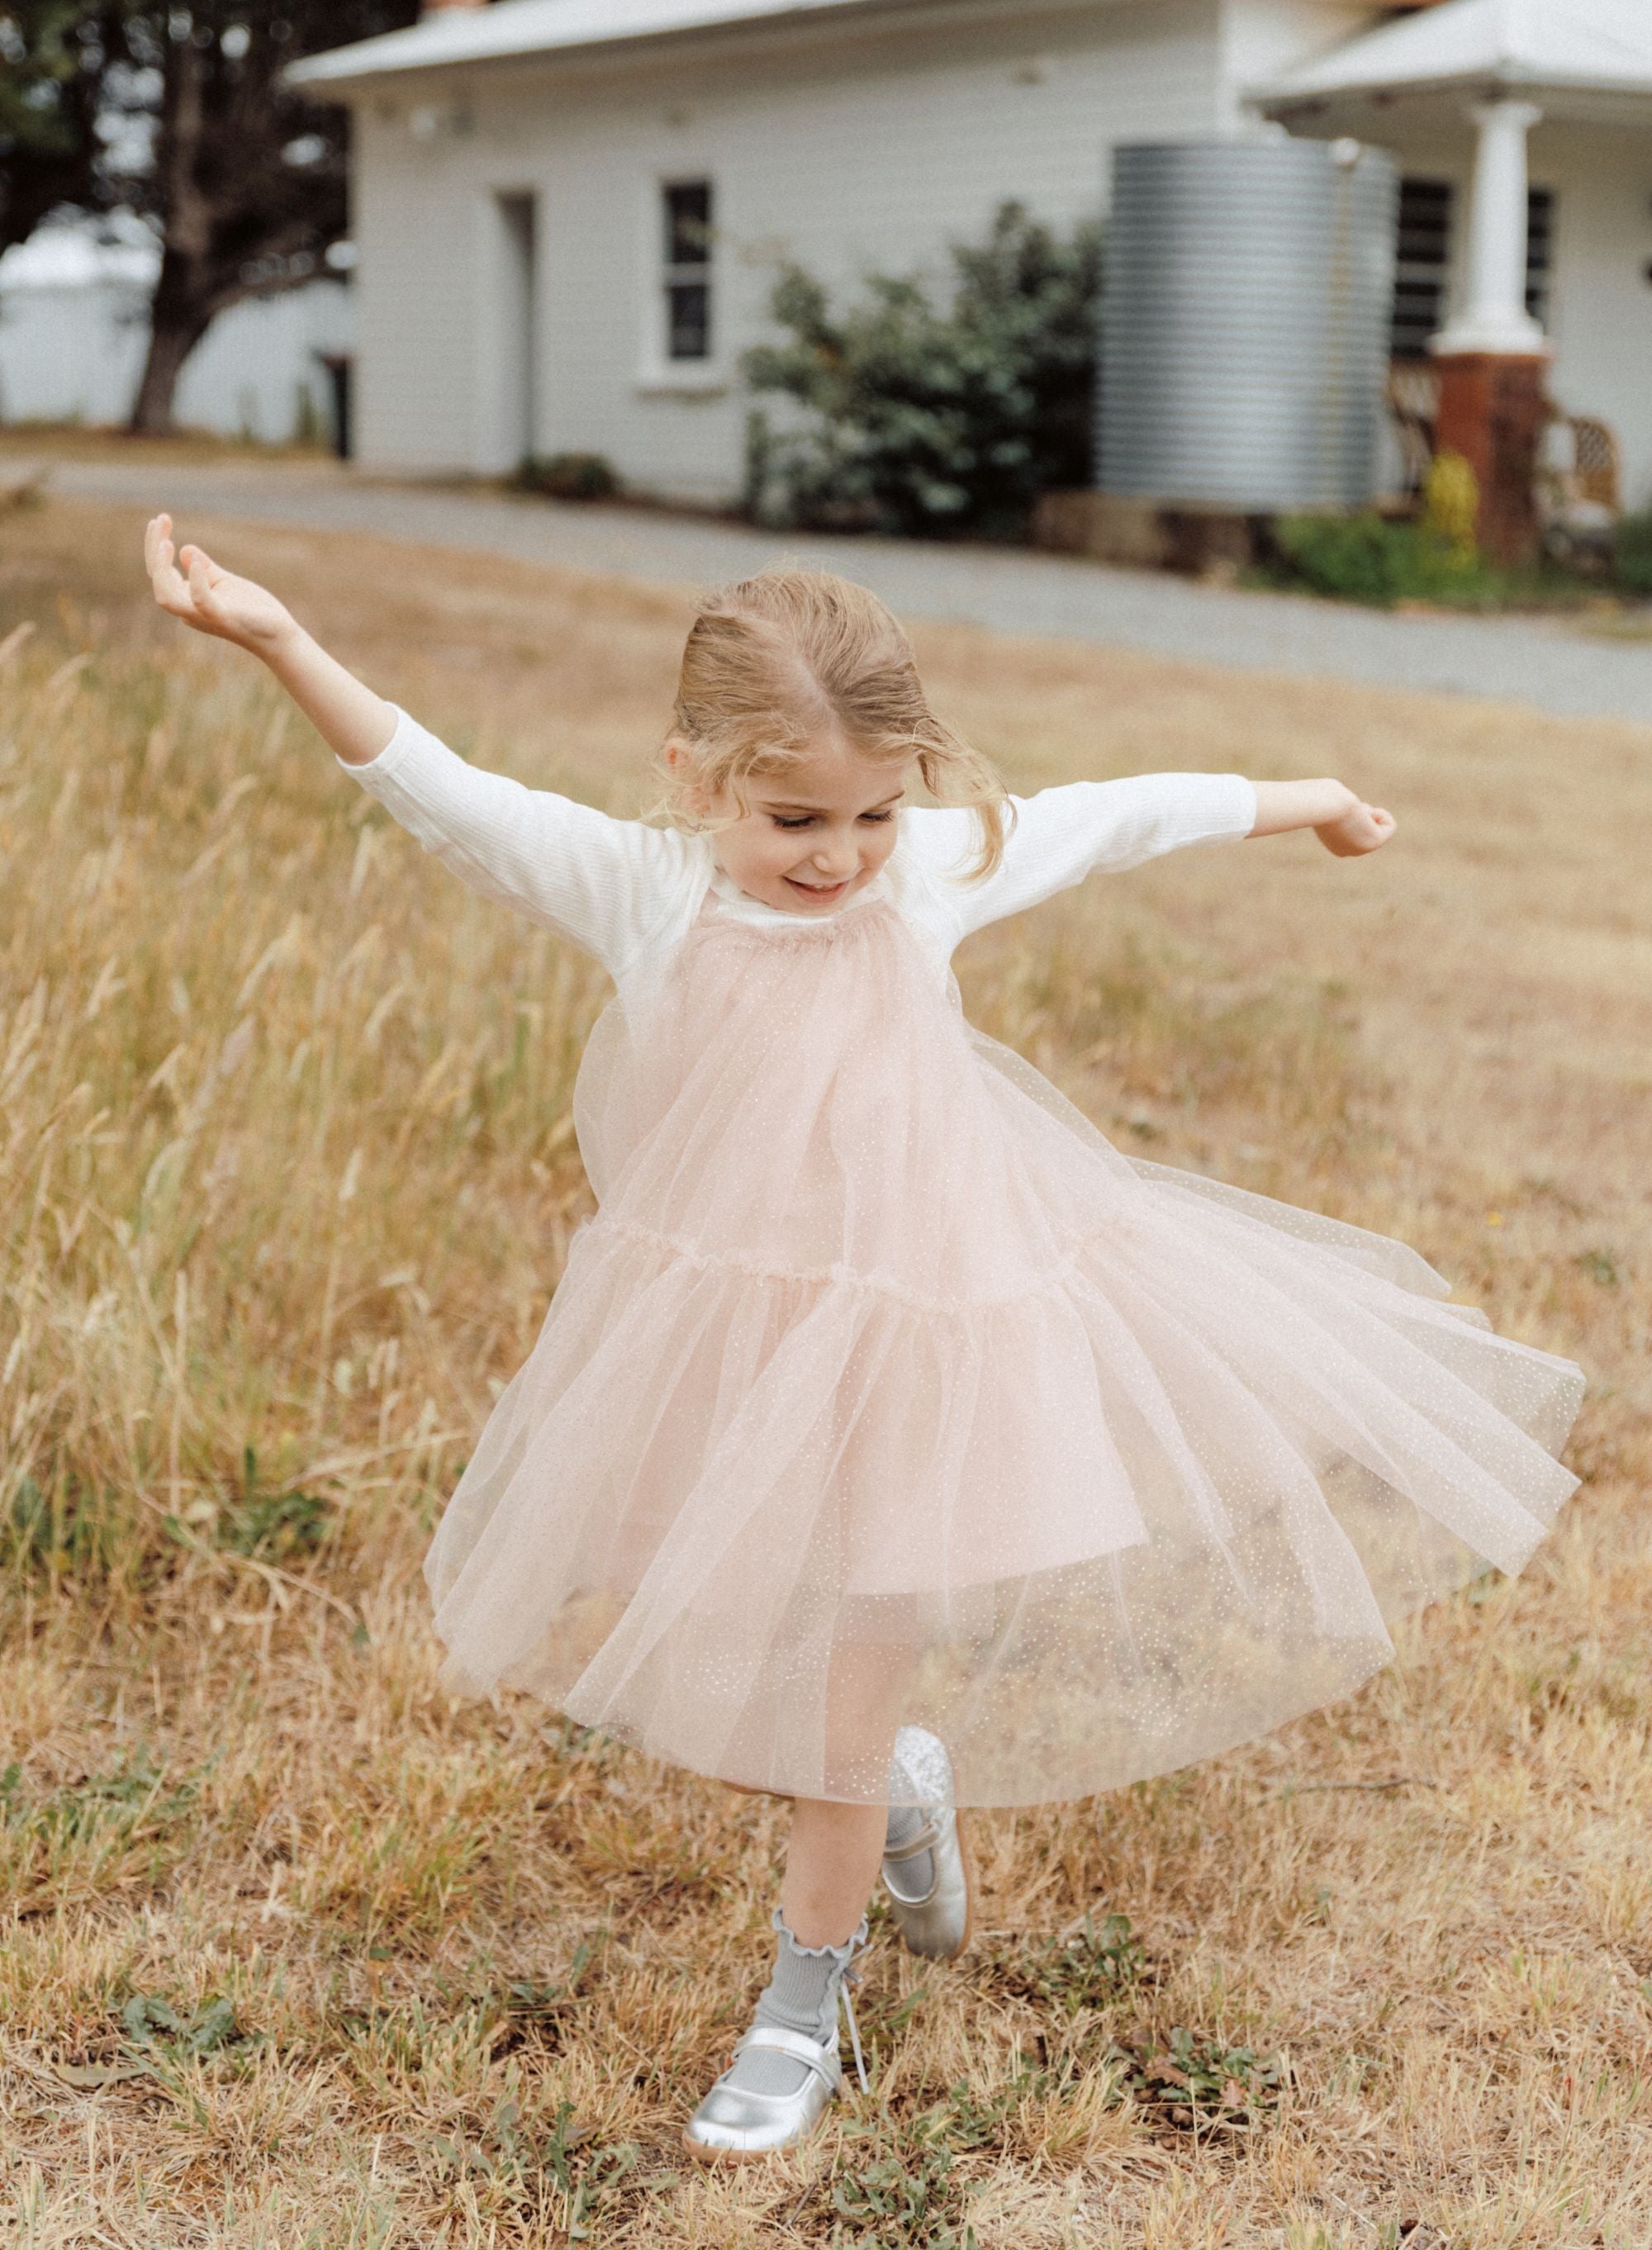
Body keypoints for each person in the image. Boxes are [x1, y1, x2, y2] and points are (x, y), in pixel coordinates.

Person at [142, 518, 1584, 2160]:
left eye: (873, 815)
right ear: (693, 777)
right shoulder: (642, 889)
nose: (839, 856)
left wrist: (1309, 800)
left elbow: (1121, 817)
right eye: (794, 819)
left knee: (829, 1693)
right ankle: (897, 1782)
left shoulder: (930, 874)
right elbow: (428, 776)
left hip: (918, 1340)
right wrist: (275, 639)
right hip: (726, 1349)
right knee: (716, 1651)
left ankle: (800, 1997)